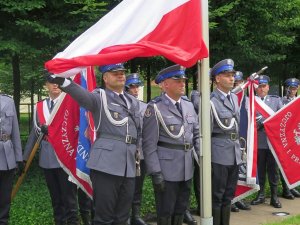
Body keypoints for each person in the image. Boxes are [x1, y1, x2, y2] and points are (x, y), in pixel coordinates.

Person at [46, 63, 141, 225]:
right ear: (105, 78)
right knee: (103, 218)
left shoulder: (133, 101)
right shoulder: (99, 97)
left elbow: (138, 133)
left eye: (122, 72)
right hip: (106, 165)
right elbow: (83, 96)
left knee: (122, 217)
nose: (121, 75)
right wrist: (63, 82)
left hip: (129, 165)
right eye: (115, 73)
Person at [142, 64, 200, 225]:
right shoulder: (155, 108)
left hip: (187, 167)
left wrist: (201, 160)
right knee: (166, 211)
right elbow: (149, 145)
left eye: (183, 80)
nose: (183, 84)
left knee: (181, 209)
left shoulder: (188, 105)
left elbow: (196, 135)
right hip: (166, 170)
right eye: (178, 81)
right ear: (165, 84)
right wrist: (155, 172)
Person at [23, 80, 79, 225]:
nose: (55, 85)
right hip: (47, 158)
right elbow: (34, 134)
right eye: (51, 82)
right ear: (46, 85)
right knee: (56, 198)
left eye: (58, 82)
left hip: (66, 156)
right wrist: (25, 158)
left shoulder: (69, 103)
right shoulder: (40, 106)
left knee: (70, 198)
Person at [210, 59, 242, 225]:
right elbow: (205, 132)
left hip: (234, 152)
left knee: (229, 194)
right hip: (219, 153)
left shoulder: (235, 99)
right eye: (227, 75)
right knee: (218, 195)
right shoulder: (210, 101)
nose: (232, 78)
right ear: (217, 79)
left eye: (232, 75)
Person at [250, 75, 283, 208]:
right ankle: (261, 195)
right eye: (259, 86)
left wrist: (265, 122)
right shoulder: (252, 102)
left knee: (273, 171)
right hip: (259, 142)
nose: (261, 89)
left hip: (273, 143)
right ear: (255, 88)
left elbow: (281, 118)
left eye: (264, 86)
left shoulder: (276, 101)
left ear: (268, 87)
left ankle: (274, 197)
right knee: (260, 170)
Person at [125, 73, 149, 225]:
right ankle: (125, 215)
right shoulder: (122, 105)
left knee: (138, 185)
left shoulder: (145, 106)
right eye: (132, 87)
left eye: (136, 86)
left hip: (141, 151)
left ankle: (136, 214)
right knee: (126, 185)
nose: (135, 89)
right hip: (126, 151)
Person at [230, 71, 251, 213]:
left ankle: (239, 198)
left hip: (243, 139)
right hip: (229, 142)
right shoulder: (230, 99)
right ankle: (231, 200)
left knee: (240, 170)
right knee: (230, 174)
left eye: (240, 82)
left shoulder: (247, 100)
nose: (239, 85)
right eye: (236, 83)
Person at [0, 93, 22, 225]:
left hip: (7, 156)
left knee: (5, 197)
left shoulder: (8, 101)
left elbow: (15, 131)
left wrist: (19, 158)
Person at [280, 78, 300, 199]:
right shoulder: (282, 101)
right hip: (284, 136)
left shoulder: (298, 101)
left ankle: (292, 187)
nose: (293, 90)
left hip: (295, 136)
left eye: (295, 88)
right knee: (284, 162)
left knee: (293, 161)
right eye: (291, 88)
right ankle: (286, 189)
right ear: (286, 88)